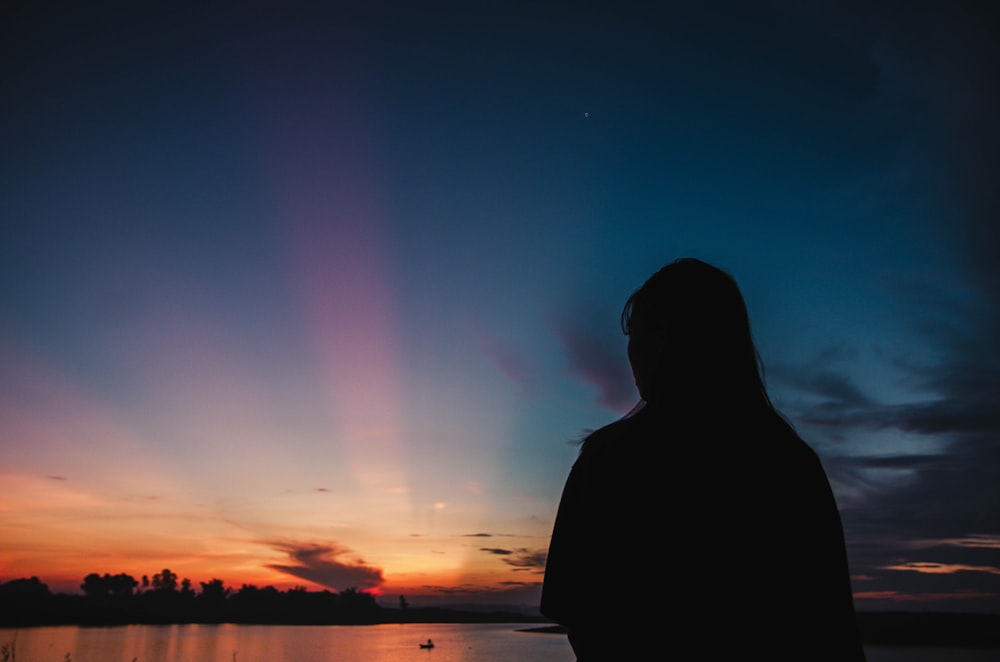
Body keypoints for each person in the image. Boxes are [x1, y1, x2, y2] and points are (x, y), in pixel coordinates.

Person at [540, 258, 865, 660]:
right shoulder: (793, 464)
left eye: (638, 333)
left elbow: (577, 615)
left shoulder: (609, 462)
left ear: (665, 339)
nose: (630, 352)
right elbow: (833, 632)